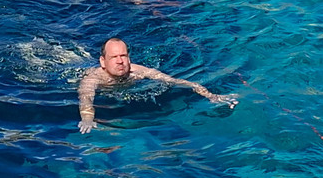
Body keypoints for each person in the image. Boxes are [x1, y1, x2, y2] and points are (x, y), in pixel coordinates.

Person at [77, 38, 237, 134]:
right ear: (103, 61)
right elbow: (86, 99)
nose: (120, 61)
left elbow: (177, 81)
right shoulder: (94, 78)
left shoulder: (138, 71)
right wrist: (87, 119)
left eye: (123, 56)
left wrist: (212, 96)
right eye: (114, 57)